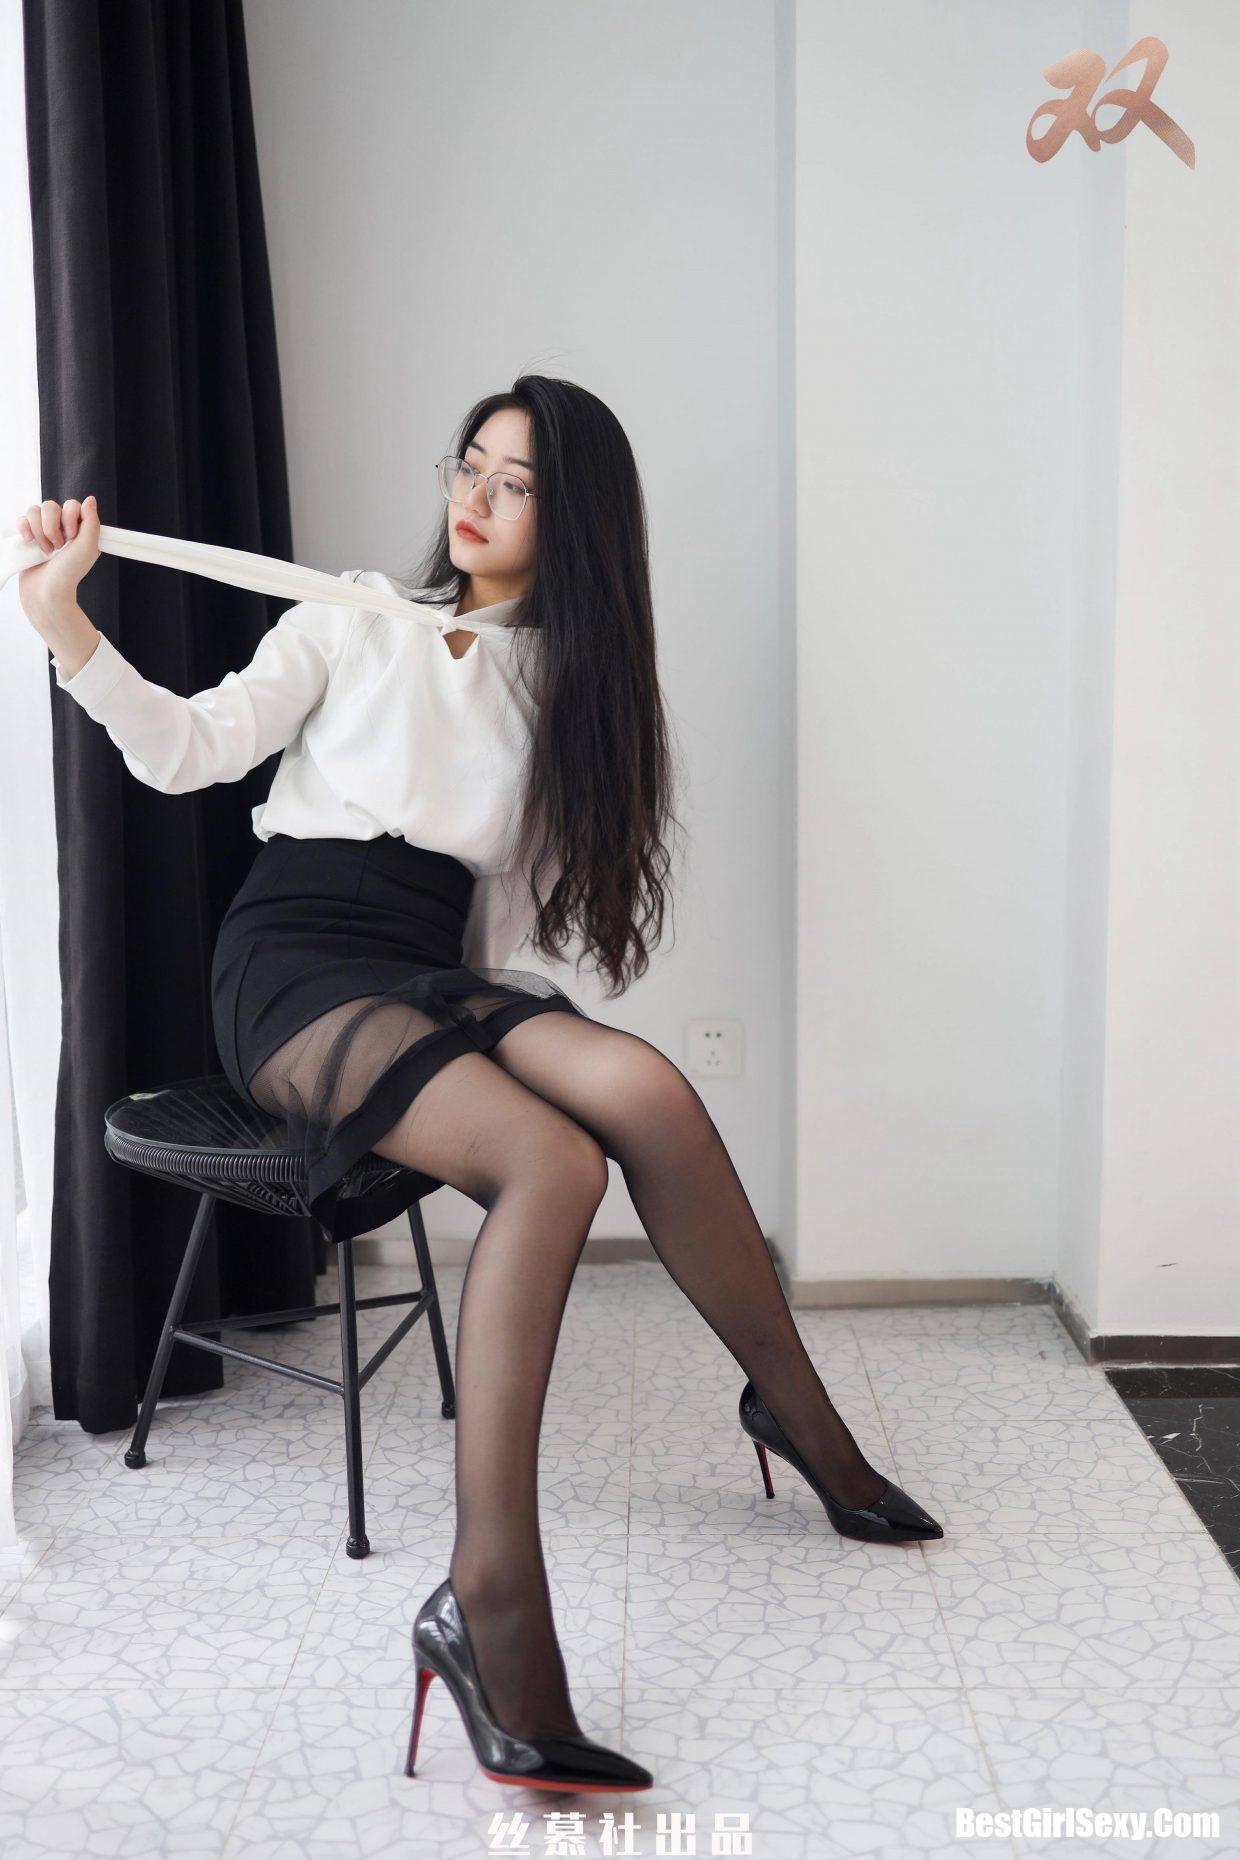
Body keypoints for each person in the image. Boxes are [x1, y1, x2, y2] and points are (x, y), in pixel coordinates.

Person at [15, 374, 942, 1795]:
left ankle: (799, 1420)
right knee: (555, 1163)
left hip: (429, 962)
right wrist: (65, 625)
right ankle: (489, 1594)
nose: (478, 498)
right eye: (472, 466)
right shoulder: (349, 613)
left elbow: (502, 911)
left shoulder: (570, 686)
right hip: (293, 962)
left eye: (517, 484)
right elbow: (187, 751)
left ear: (573, 523)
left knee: (644, 1092)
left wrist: (506, 1027)